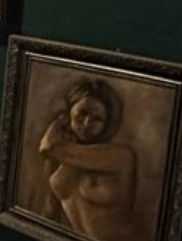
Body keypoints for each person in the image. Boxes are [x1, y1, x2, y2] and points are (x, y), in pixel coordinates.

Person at [39, 78, 145, 241]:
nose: (87, 123)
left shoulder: (120, 156)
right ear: (70, 111)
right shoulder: (60, 158)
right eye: (82, 113)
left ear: (108, 123)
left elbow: (48, 147)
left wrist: (60, 122)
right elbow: (50, 212)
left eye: (97, 119)